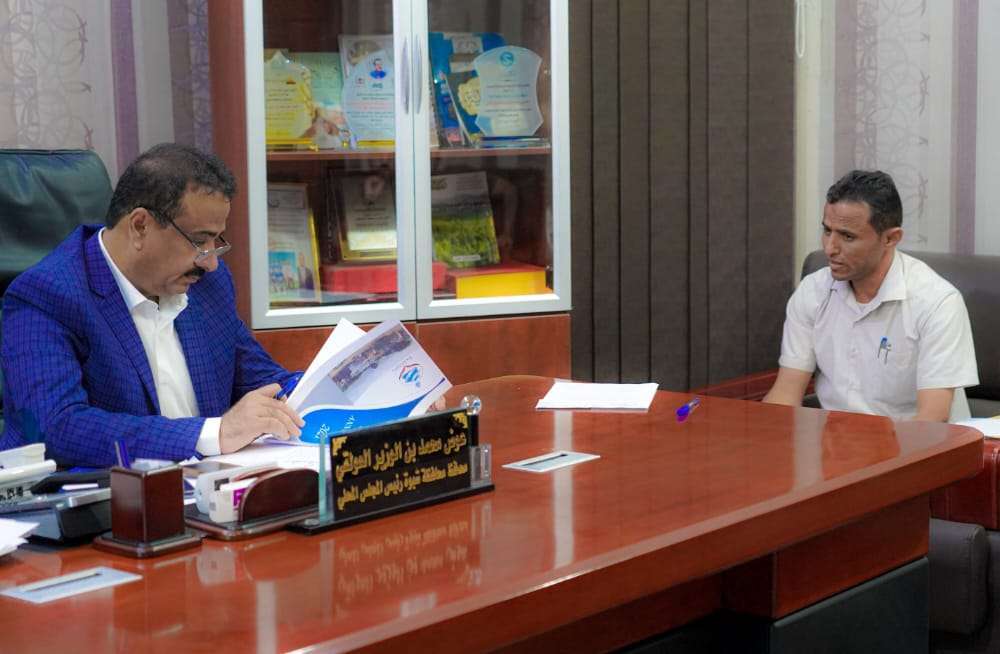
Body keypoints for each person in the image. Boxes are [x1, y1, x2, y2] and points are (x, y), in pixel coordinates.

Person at [0, 143, 304, 466]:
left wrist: (317, 390)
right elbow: (58, 428)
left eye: (216, 240)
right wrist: (216, 433)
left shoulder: (207, 285)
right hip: (94, 494)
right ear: (140, 226)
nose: (211, 261)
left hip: (207, 485)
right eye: (199, 240)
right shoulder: (46, 296)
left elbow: (262, 379)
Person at [763, 169, 978, 422]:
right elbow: (786, 393)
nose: (830, 248)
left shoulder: (937, 302)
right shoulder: (812, 292)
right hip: (837, 441)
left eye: (847, 236)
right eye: (827, 231)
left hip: (917, 442)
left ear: (890, 238)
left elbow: (932, 419)